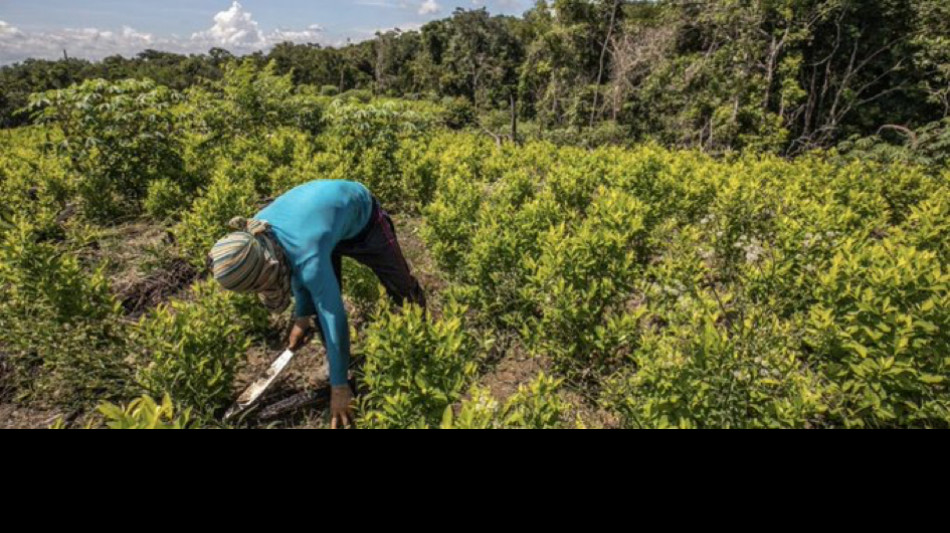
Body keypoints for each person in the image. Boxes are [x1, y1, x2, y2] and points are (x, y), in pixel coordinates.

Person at [209, 180, 425, 428]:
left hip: (365, 220)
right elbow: (293, 262)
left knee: (403, 291)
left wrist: (339, 388)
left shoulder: (304, 253)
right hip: (322, 230)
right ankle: (338, 365)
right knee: (318, 306)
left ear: (266, 267)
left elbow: (334, 315)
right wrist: (302, 318)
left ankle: (420, 345)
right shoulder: (258, 234)